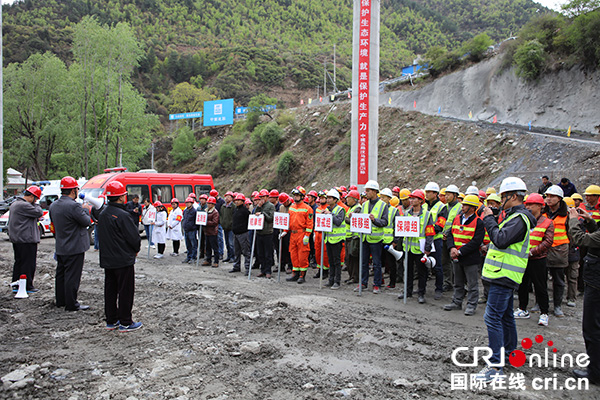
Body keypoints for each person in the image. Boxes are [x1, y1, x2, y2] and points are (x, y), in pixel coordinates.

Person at [476, 177, 536, 383]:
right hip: (501, 274)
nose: (501, 200)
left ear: (512, 196)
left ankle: (495, 365)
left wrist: (489, 219)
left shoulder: (520, 218)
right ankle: (510, 354)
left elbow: (501, 240)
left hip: (504, 275)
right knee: (505, 316)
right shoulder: (514, 217)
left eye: (503, 196)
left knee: (491, 317)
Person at [97, 181, 142, 332]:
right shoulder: (123, 215)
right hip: (123, 259)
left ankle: (111, 319)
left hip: (108, 259)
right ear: (122, 197)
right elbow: (133, 237)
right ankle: (125, 321)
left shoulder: (103, 213)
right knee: (125, 291)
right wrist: (135, 249)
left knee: (110, 290)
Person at [49, 176, 92, 311]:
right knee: (72, 277)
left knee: (61, 275)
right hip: (75, 247)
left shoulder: (54, 205)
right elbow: (87, 222)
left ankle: (61, 300)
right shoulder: (74, 206)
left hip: (61, 246)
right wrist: (85, 209)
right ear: (73, 190)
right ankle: (71, 304)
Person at [568, 205, 600, 384]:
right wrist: (590, 221)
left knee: (592, 328)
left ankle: (595, 372)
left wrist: (574, 220)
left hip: (596, 283)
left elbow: (582, 239)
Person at [514, 193, 554, 326]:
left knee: (540, 286)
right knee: (522, 285)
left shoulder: (548, 222)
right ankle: (522, 308)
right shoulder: (523, 220)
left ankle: (544, 313)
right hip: (523, 259)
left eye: (531, 204)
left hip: (538, 259)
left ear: (540, 206)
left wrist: (532, 252)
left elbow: (547, 242)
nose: (528, 207)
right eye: (527, 204)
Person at [444, 194, 485, 315]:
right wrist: (452, 248)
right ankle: (457, 302)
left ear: (472, 208)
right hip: (456, 256)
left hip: (470, 257)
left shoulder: (478, 222)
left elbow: (476, 241)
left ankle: (471, 305)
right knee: (458, 282)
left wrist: (460, 251)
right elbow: (450, 234)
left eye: (465, 205)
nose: (462, 207)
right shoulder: (457, 218)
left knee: (472, 283)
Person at [354, 180, 389, 294]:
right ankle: (363, 283)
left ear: (374, 192)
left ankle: (377, 284)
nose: (366, 193)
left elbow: (385, 222)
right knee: (363, 262)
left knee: (376, 263)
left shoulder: (383, 205)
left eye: (368, 191)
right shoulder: (364, 205)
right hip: (365, 238)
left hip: (376, 240)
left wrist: (375, 220)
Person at [401, 189, 434, 302]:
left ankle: (421, 293)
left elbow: (430, 232)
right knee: (408, 271)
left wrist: (427, 247)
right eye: (411, 198)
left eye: (414, 198)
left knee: (421, 272)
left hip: (420, 248)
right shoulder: (406, 214)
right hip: (408, 247)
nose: (411, 200)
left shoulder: (427, 215)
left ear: (421, 201)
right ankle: (407, 291)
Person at [8, 186, 43, 293]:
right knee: (28, 264)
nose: (36, 201)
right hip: (26, 240)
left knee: (19, 262)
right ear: (31, 196)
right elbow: (39, 212)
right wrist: (36, 205)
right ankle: (27, 286)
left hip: (18, 239)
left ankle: (17, 284)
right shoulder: (23, 205)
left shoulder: (15, 204)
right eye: (36, 198)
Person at [543, 185, 570, 317]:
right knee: (540, 279)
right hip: (543, 249)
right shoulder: (543, 212)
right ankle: (541, 303)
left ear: (559, 198)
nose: (548, 199)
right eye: (547, 196)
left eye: (552, 196)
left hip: (559, 251)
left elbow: (571, 233)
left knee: (558, 280)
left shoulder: (567, 214)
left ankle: (557, 305)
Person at [284, 187, 314, 284]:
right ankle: (295, 273)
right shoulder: (291, 207)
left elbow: (310, 223)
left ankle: (302, 275)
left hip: (302, 234)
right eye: (295, 195)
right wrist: (285, 230)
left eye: (297, 195)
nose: (295, 197)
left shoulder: (307, 208)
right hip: (293, 234)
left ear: (302, 196)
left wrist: (307, 235)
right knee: (293, 255)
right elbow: (289, 220)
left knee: (302, 255)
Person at [422, 182, 446, 300]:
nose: (426, 194)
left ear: (435, 194)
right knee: (423, 264)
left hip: (436, 240)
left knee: (437, 266)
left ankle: (439, 289)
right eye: (426, 192)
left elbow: (440, 225)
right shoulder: (424, 206)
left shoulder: (442, 207)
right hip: (424, 240)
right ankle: (422, 288)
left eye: (428, 192)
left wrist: (426, 229)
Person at [323, 189, 346, 289]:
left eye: (330, 198)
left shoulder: (340, 210)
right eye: (327, 198)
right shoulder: (327, 209)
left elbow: (338, 222)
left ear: (335, 200)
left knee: (337, 262)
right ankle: (330, 279)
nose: (328, 200)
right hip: (328, 239)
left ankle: (337, 281)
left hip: (337, 240)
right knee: (330, 261)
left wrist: (330, 214)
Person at [441, 184, 462, 292]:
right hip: (444, 237)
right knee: (445, 261)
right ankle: (447, 282)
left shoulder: (460, 208)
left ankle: (457, 283)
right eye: (445, 195)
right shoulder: (445, 207)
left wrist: (448, 234)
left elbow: (456, 223)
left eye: (448, 195)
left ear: (455, 195)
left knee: (455, 261)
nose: (446, 197)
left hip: (455, 238)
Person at [255, 189, 275, 278]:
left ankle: (268, 271)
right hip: (259, 232)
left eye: (264, 197)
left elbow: (271, 218)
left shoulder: (271, 206)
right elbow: (254, 214)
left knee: (268, 253)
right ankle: (262, 269)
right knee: (260, 252)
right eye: (261, 197)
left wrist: (262, 213)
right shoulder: (259, 206)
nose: (262, 199)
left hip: (268, 232)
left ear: (267, 197)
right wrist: (258, 207)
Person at [344, 190, 362, 284]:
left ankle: (355, 277)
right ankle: (351, 276)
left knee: (353, 258)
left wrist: (345, 218)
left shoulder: (358, 208)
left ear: (354, 199)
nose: (347, 200)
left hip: (354, 238)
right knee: (348, 259)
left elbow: (353, 221)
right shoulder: (351, 208)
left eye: (348, 198)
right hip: (348, 237)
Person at [230, 193, 251, 273]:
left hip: (243, 233)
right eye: (236, 200)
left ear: (243, 201)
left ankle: (247, 268)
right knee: (236, 251)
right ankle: (236, 266)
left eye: (239, 200)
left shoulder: (245, 211)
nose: (237, 202)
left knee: (246, 251)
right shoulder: (235, 209)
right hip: (235, 233)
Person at [313, 191, 330, 279]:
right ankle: (319, 269)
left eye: (324, 198)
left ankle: (326, 271)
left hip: (325, 233)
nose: (322, 199)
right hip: (318, 233)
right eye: (321, 198)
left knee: (325, 253)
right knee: (318, 252)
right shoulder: (318, 209)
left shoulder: (329, 208)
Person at [202, 196, 220, 268]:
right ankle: (208, 260)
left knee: (215, 247)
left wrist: (206, 222)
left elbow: (215, 222)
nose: (208, 205)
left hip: (213, 232)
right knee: (208, 247)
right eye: (208, 203)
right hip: (207, 232)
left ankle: (216, 261)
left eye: (210, 203)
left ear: (213, 204)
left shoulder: (215, 212)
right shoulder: (205, 211)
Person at [182, 197, 199, 264]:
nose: (187, 204)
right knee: (188, 244)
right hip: (186, 230)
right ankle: (188, 256)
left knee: (193, 244)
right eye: (186, 203)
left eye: (188, 203)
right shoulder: (185, 211)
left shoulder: (194, 211)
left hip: (192, 230)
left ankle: (193, 257)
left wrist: (194, 227)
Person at [220, 191, 235, 262]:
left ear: (232, 198)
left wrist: (231, 224)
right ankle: (229, 256)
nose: (227, 198)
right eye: (226, 196)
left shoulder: (233, 206)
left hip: (231, 227)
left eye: (229, 197)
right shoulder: (223, 206)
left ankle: (233, 257)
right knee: (227, 243)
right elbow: (221, 215)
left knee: (231, 243)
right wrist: (222, 223)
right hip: (225, 227)